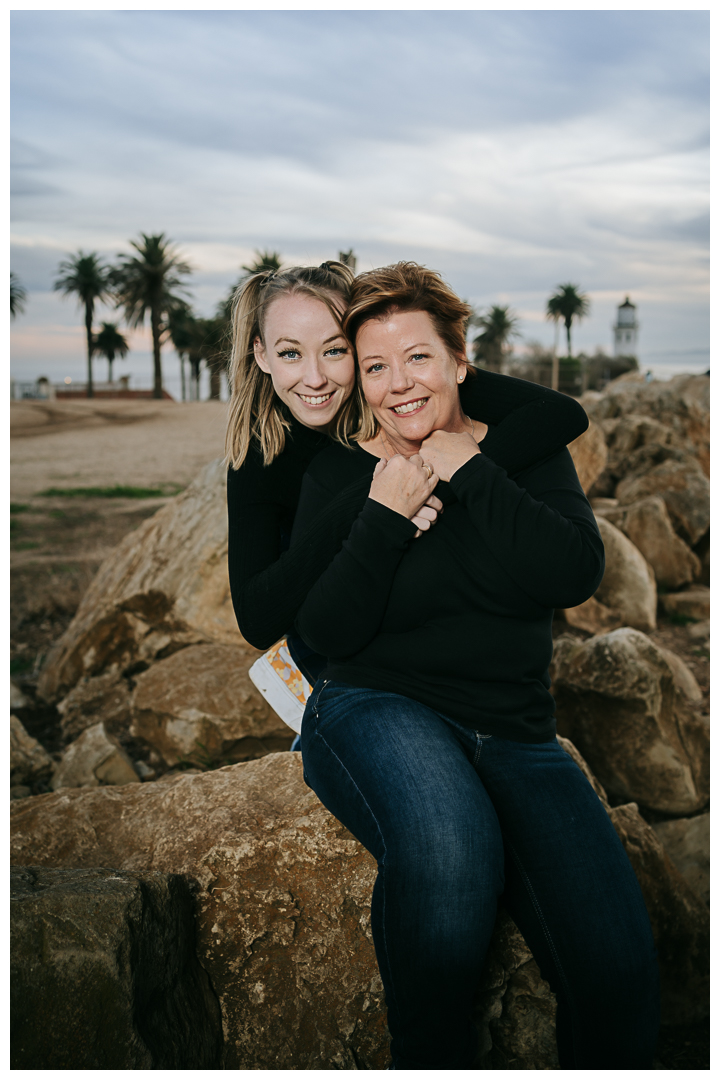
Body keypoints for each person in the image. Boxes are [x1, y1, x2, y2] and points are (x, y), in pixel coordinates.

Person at [291, 262, 661, 1069]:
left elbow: (570, 573)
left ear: (462, 361)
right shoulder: (340, 474)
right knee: (452, 850)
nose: (398, 385)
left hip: (519, 732)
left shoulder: (523, 455)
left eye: (417, 357)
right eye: (377, 366)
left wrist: (469, 470)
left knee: (620, 973)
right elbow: (322, 632)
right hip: (374, 706)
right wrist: (384, 518)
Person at [225, 260, 589, 696]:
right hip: (333, 650)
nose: (315, 378)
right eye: (290, 353)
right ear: (261, 354)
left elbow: (562, 414)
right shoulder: (262, 453)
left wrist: (454, 468)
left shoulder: (409, 389)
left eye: (335, 350)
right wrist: (381, 497)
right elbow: (257, 618)